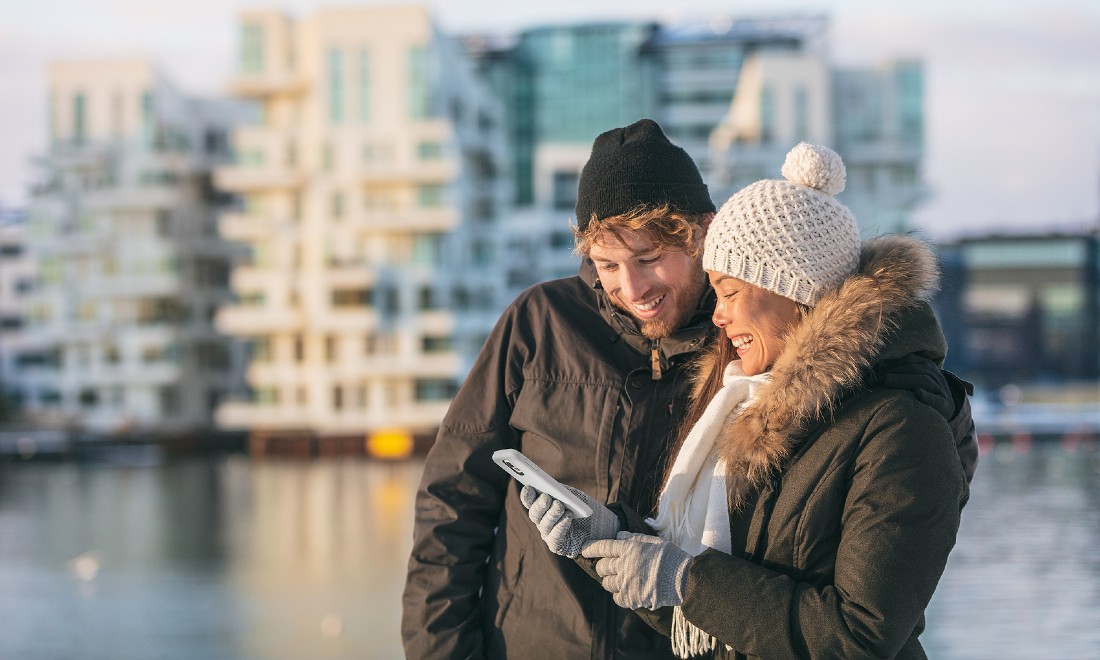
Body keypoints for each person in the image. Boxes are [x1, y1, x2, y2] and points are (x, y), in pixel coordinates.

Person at [523, 143, 977, 658]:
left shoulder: (902, 430)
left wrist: (686, 580)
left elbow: (859, 636)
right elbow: (716, 614)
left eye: (730, 292)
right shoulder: (749, 413)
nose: (717, 317)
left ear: (793, 289)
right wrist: (605, 539)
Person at [401, 118, 721, 659]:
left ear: (701, 233)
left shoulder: (740, 344)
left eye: (649, 260)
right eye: (607, 265)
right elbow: (452, 503)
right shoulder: (538, 322)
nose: (632, 288)